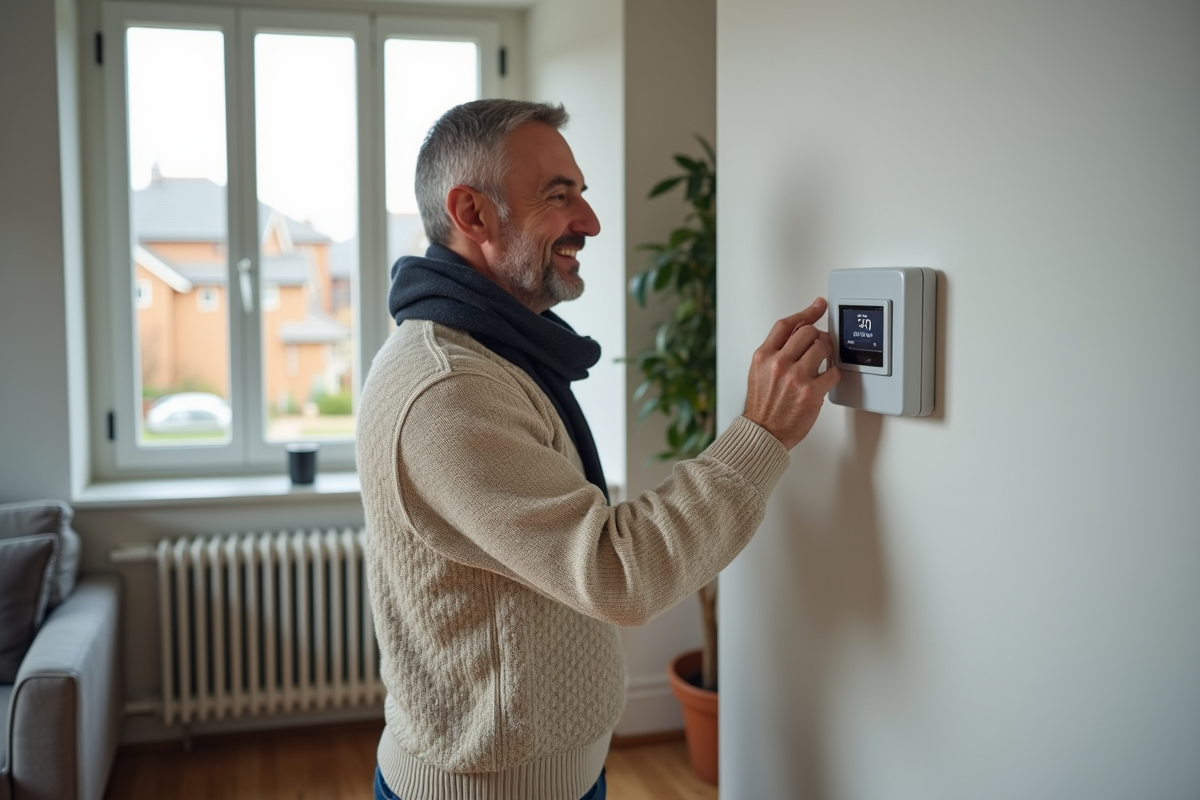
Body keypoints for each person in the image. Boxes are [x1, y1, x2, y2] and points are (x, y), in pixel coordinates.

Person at [357, 99, 840, 800]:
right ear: (472, 214)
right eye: (560, 197)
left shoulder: (495, 351)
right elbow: (618, 572)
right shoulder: (448, 388)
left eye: (581, 193)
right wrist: (760, 435)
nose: (590, 221)